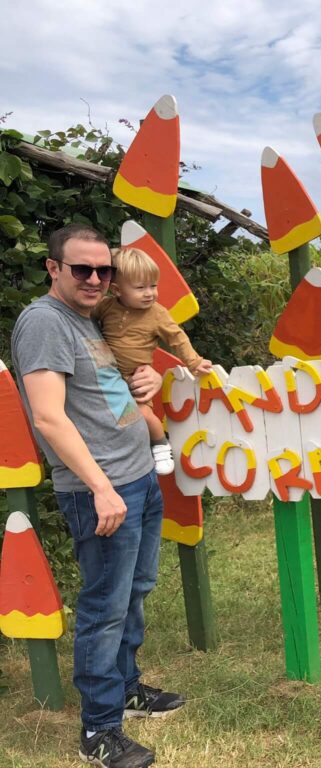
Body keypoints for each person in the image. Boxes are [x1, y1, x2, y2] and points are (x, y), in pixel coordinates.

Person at [11, 225, 185, 768]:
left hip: (137, 476)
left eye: (102, 270)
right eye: (81, 268)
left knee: (135, 590)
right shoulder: (43, 322)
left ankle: (128, 689)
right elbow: (47, 416)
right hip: (101, 489)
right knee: (105, 608)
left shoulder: (92, 320)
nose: (93, 278)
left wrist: (151, 381)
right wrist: (101, 488)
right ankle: (101, 729)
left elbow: (110, 386)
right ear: (53, 268)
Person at [94, 246, 212, 474]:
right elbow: (85, 319)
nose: (150, 293)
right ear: (117, 290)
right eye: (140, 288)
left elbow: (177, 338)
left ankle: (160, 445)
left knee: (144, 414)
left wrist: (194, 362)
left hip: (135, 378)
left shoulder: (157, 314)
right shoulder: (105, 307)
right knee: (114, 420)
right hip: (109, 378)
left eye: (153, 286)